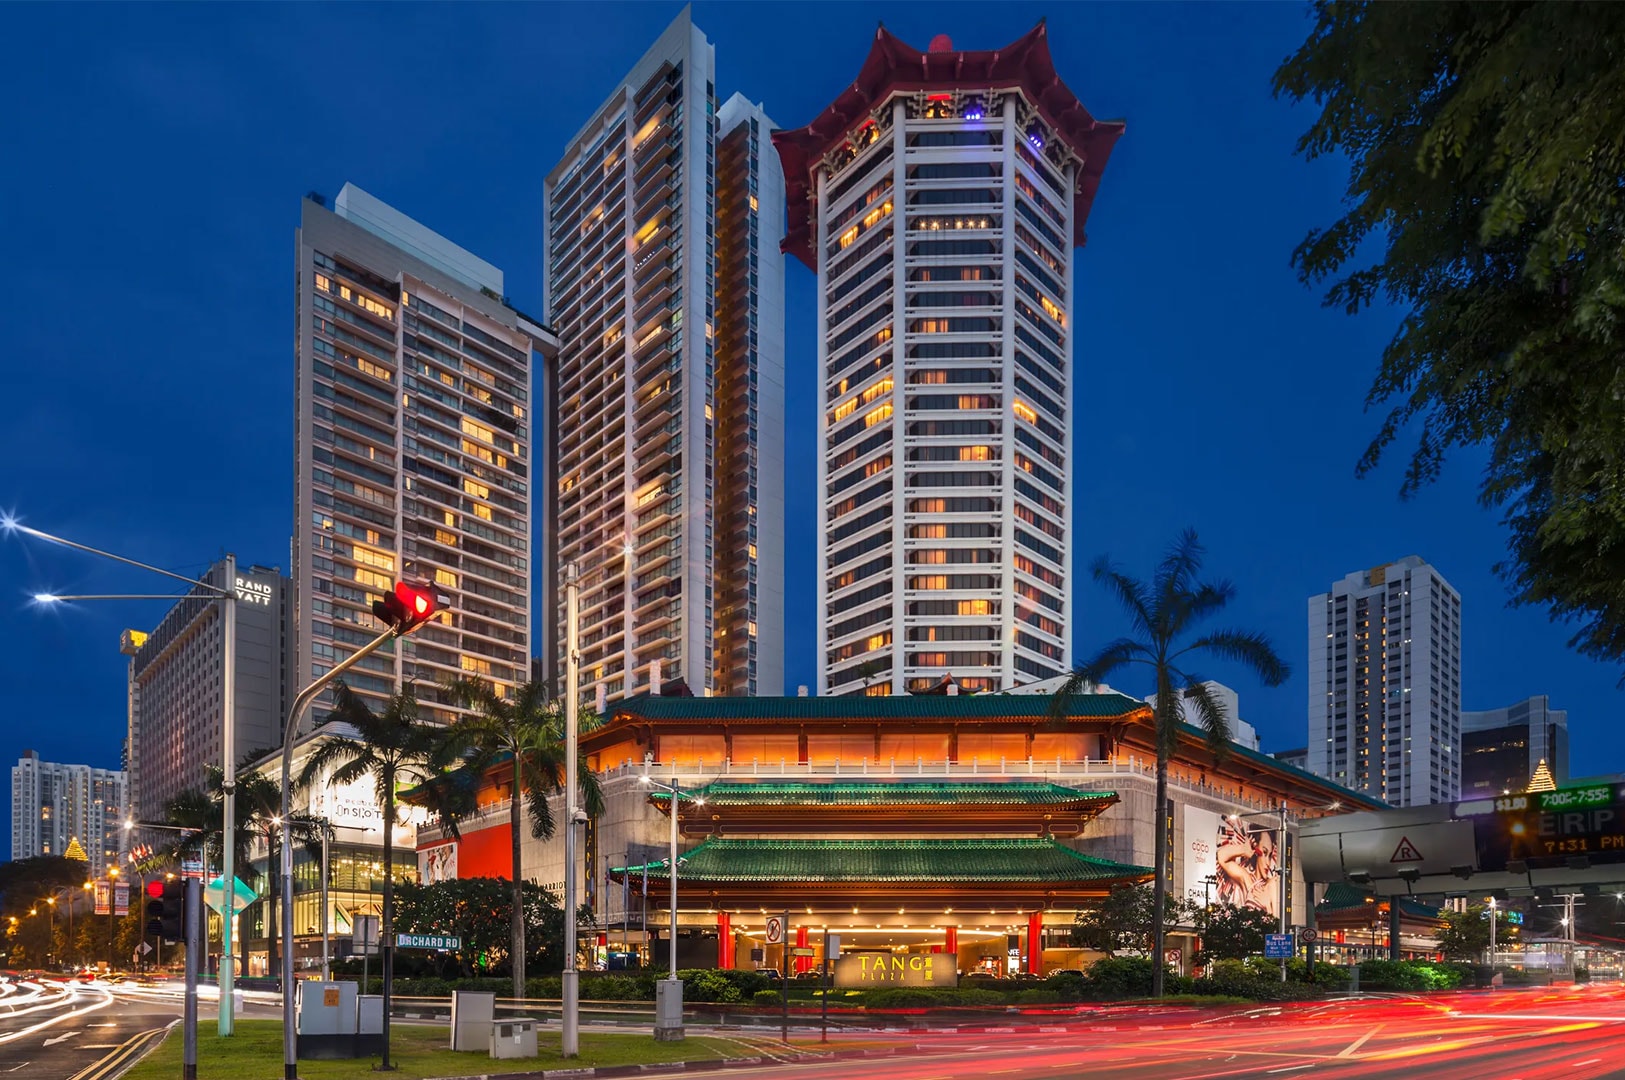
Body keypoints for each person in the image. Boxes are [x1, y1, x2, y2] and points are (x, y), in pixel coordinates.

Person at [1215, 822, 1278, 917]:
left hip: (1264, 931)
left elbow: (1277, 923)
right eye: (1264, 852)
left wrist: (1267, 906)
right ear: (1256, 851)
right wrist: (1243, 850)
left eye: (1269, 856)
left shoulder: (1272, 884)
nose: (1267, 862)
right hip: (1244, 930)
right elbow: (1221, 857)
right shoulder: (1248, 880)